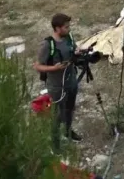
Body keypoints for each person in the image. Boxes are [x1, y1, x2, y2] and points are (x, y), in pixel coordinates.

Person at [34, 13, 85, 151]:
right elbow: (38, 66)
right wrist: (53, 68)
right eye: (66, 27)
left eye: (69, 26)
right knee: (57, 115)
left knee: (70, 109)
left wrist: (78, 51)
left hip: (71, 81)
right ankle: (55, 143)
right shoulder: (47, 44)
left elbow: (73, 48)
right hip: (56, 86)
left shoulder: (69, 37)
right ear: (57, 28)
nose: (69, 29)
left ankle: (68, 132)